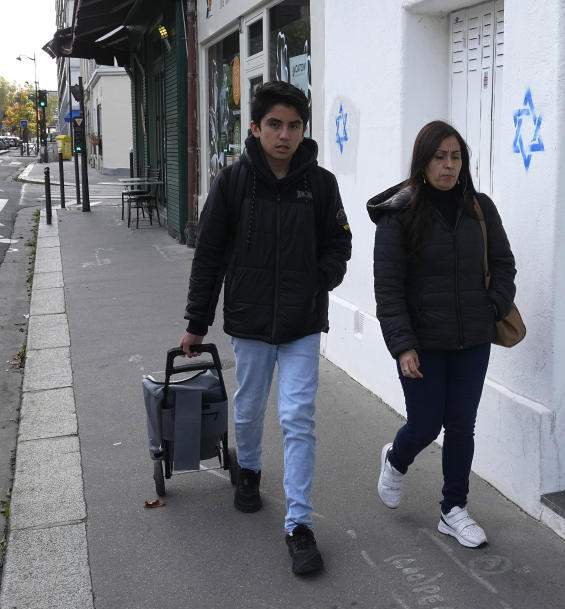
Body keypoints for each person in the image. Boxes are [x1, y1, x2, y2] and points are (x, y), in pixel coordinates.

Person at [180, 81, 352, 575]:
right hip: (251, 321)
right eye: (274, 125)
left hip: (302, 322)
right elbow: (209, 255)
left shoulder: (319, 184)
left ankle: (299, 524)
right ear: (254, 128)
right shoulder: (234, 182)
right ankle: (249, 470)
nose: (284, 134)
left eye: (293, 125)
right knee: (250, 407)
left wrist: (321, 278)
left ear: (303, 130)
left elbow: (339, 244)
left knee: (298, 417)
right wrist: (197, 322)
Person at [367, 120, 517, 548]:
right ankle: (396, 459)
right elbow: (389, 288)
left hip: (473, 339)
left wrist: (493, 307)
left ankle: (454, 509)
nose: (449, 166)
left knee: (462, 426)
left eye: (456, 157)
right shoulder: (400, 215)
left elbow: (504, 264)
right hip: (423, 344)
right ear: (423, 161)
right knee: (426, 424)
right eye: (440, 157)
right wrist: (403, 345)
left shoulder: (480, 209)